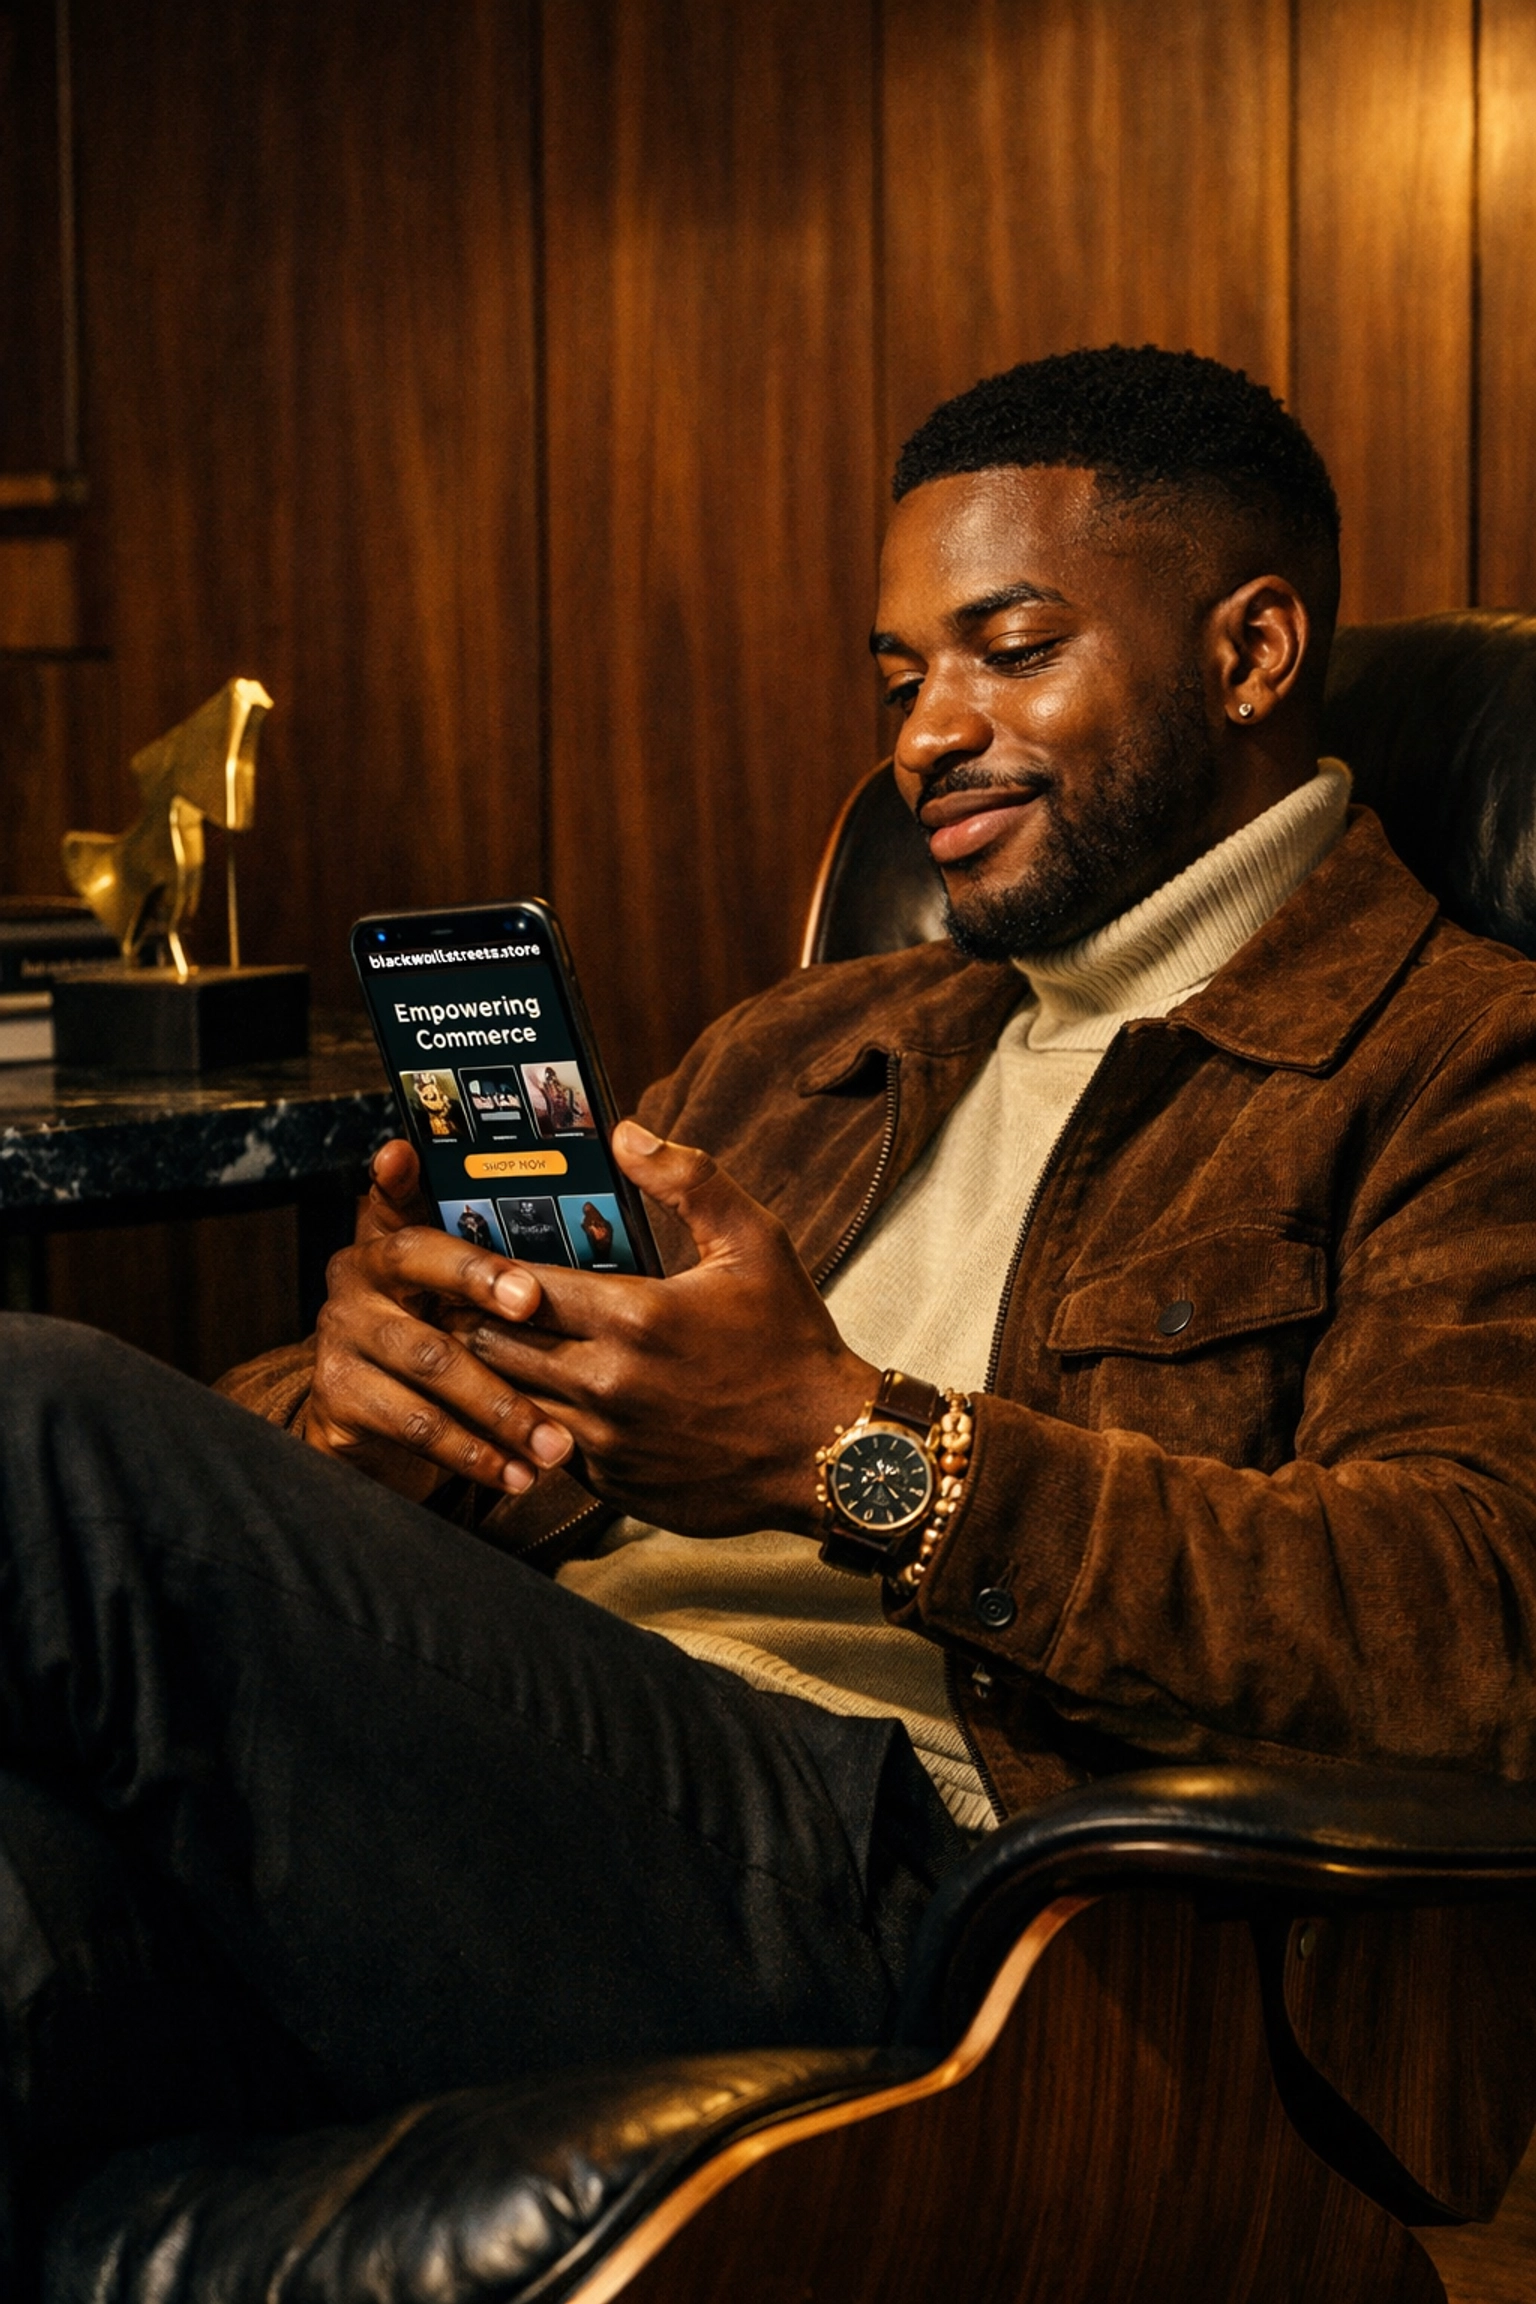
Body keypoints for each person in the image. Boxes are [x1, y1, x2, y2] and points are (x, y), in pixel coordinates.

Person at [4, 348, 1536, 2264]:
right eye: (902, 679)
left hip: (959, 1911)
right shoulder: (812, 1041)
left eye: (1010, 647)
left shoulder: (1471, 1065)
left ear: (1249, 653)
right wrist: (361, 1413)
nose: (924, 739)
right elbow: (492, 1428)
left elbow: (1472, 1619)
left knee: (30, 1416)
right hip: (521, 1787)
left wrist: (849, 1450)